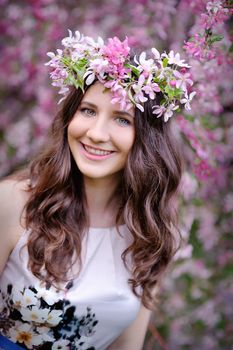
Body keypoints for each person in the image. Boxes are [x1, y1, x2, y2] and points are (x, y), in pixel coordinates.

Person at [0, 31, 194, 350]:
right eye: (88, 111)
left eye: (121, 119)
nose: (96, 133)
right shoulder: (14, 203)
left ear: (149, 139)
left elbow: (127, 346)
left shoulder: (154, 236)